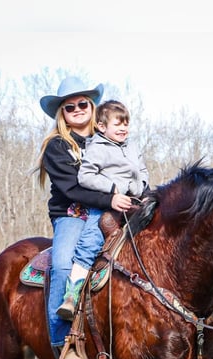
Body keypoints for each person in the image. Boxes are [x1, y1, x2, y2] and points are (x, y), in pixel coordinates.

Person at [35, 77, 135, 359]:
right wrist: (112, 198)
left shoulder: (107, 138)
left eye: (83, 104)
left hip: (112, 208)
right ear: (62, 113)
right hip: (73, 212)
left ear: (93, 108)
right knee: (64, 261)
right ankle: (61, 340)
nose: (77, 109)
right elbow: (72, 189)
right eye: (70, 106)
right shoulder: (57, 146)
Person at [54, 100, 150, 321]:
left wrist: (142, 187)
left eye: (126, 123)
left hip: (134, 202)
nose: (123, 128)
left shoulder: (132, 146)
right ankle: (72, 294)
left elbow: (142, 170)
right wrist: (113, 190)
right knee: (90, 242)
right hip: (105, 204)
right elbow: (85, 177)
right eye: (118, 124)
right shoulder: (97, 147)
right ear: (102, 127)